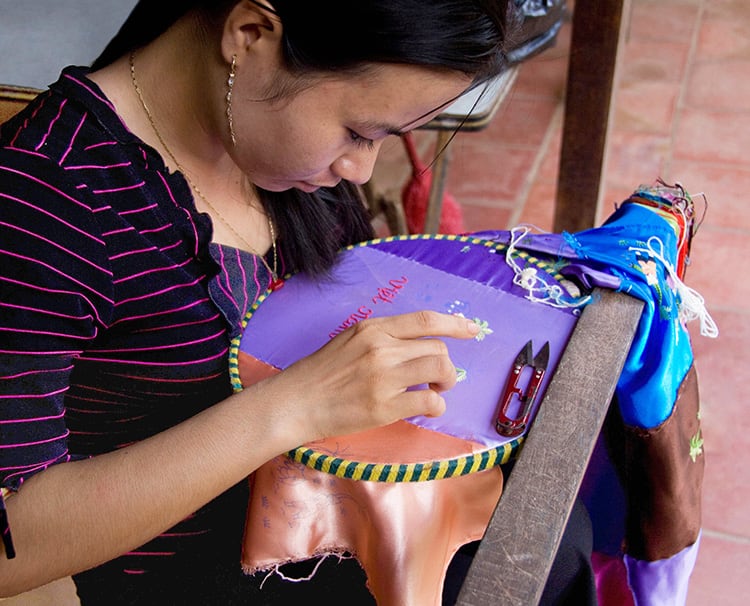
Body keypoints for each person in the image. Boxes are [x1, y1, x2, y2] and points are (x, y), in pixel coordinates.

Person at [0, 1, 596, 604]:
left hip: (326, 508)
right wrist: (290, 408)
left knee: (553, 522)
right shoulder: (45, 203)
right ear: (250, 33)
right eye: (359, 133)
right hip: (194, 569)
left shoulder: (273, 156)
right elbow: (10, 544)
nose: (362, 171)